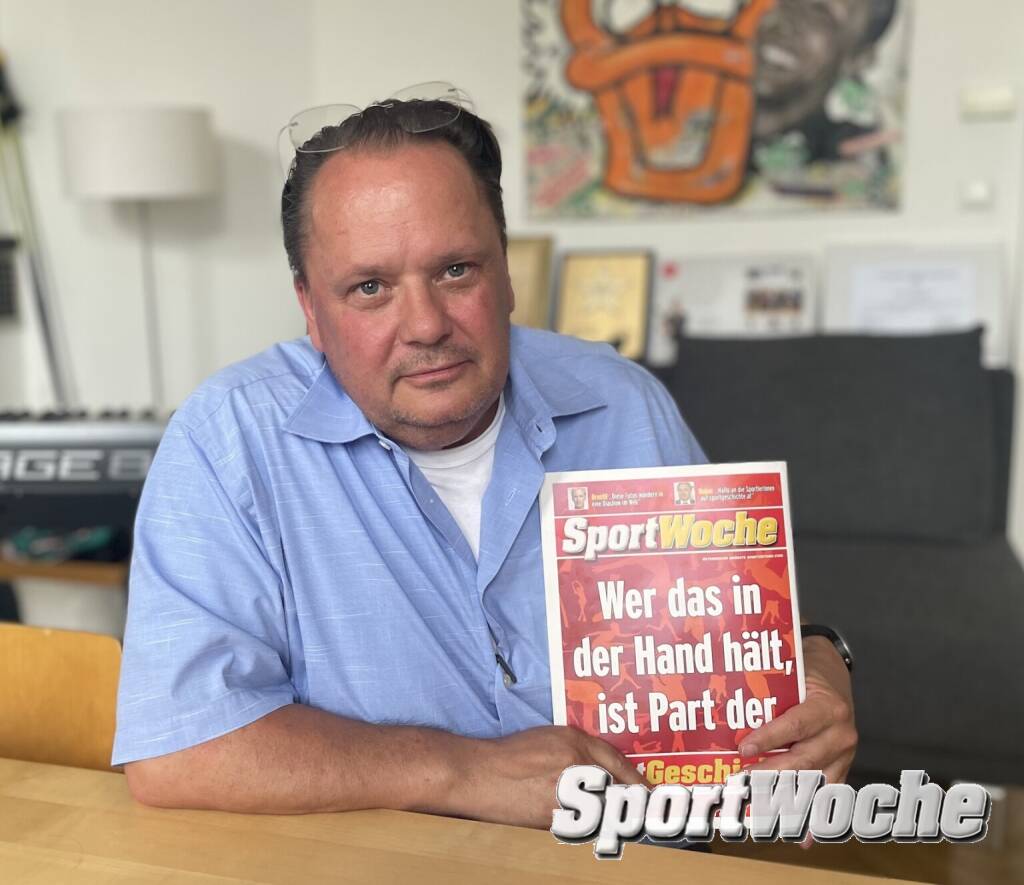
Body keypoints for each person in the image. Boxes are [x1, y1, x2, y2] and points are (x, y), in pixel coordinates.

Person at [114, 91, 856, 828]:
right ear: (311, 308)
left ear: (505, 271)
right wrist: (464, 770)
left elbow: (735, 648)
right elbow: (181, 748)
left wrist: (819, 661)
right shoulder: (230, 440)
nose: (425, 325)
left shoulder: (624, 405)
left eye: (456, 270)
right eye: (370, 288)